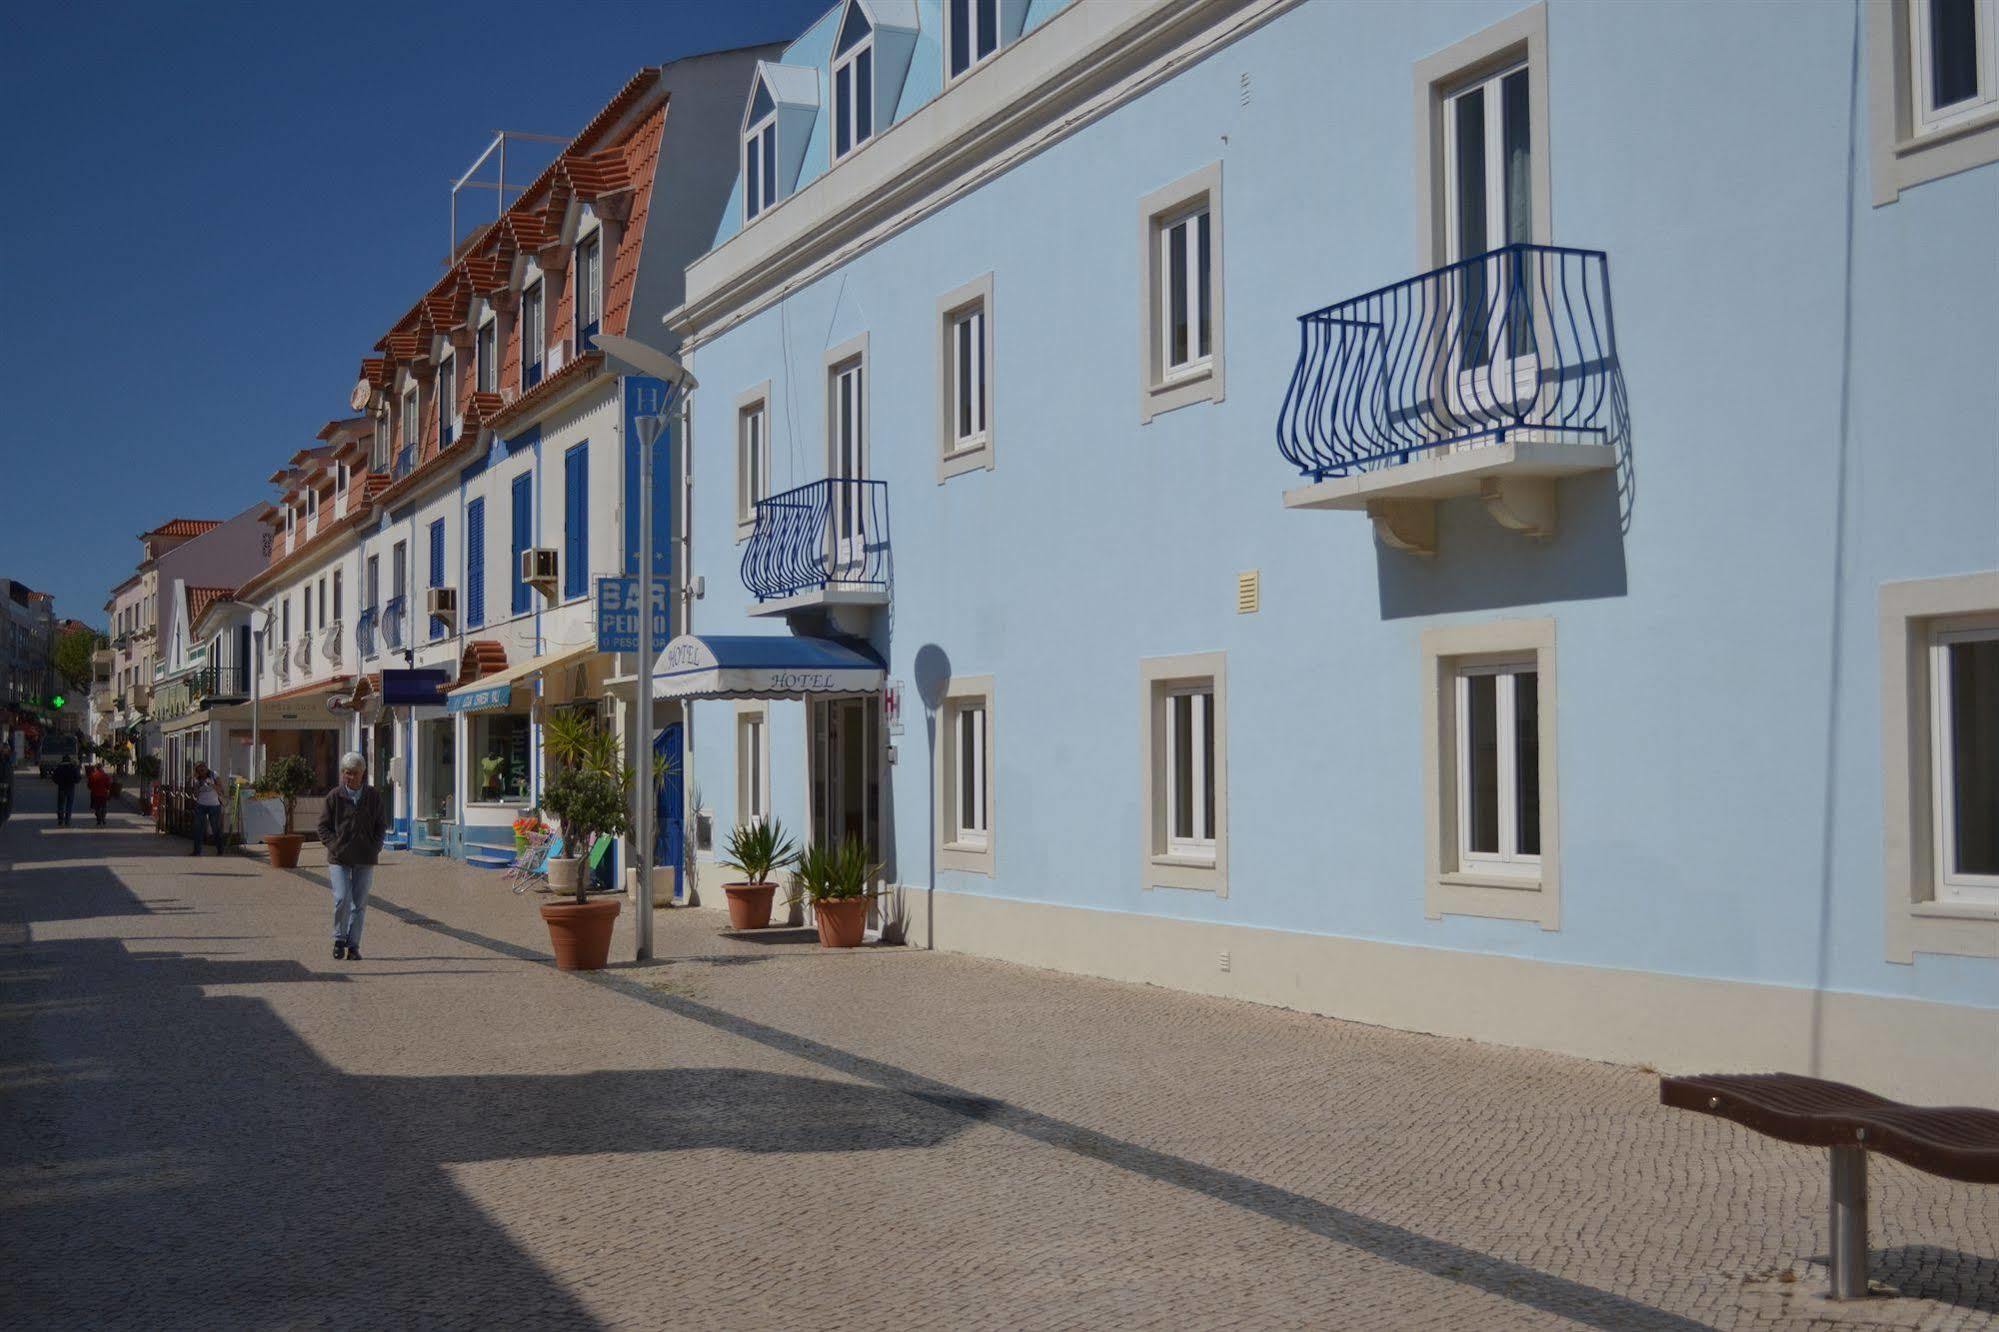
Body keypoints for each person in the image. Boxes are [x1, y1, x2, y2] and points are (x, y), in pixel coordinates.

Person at [317, 752, 388, 961]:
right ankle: (339, 939)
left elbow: (381, 825)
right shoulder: (334, 796)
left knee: (360, 903)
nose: (349, 777)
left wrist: (375, 847)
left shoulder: (373, 797)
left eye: (354, 773)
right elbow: (323, 826)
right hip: (339, 858)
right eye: (346, 773)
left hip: (365, 857)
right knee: (342, 898)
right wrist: (334, 845)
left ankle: (353, 945)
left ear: (362, 774)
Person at [188, 762, 225, 855]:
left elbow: (220, 789)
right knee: (198, 828)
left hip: (214, 805)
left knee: (215, 828)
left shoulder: (214, 775)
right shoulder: (197, 779)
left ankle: (220, 849)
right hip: (201, 805)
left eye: (203, 769)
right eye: (200, 770)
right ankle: (197, 851)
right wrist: (197, 784)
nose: (202, 771)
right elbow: (196, 795)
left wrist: (212, 784)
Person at [50, 753, 81, 828]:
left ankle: (60, 820)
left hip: (61, 788)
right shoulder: (72, 767)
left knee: (60, 804)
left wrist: (59, 782)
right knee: (69, 805)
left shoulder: (59, 768)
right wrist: (73, 782)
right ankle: (67, 820)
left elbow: (54, 778)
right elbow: (78, 778)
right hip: (70, 788)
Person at [86, 762, 113, 826]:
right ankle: (103, 818)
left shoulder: (93, 775)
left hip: (95, 794)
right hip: (103, 794)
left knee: (97, 808)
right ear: (101, 768)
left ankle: (99, 820)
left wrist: (92, 788)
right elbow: (108, 785)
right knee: (104, 807)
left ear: (96, 768)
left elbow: (89, 785)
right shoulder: (105, 776)